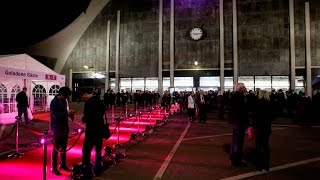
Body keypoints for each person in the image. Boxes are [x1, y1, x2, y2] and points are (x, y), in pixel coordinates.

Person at [81, 89, 106, 177]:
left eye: (82, 96)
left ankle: (87, 169)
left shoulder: (89, 103)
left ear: (86, 94)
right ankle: (98, 168)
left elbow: (88, 117)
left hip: (91, 130)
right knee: (98, 150)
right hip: (99, 128)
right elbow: (102, 112)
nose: (82, 98)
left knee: (86, 150)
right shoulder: (99, 101)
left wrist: (84, 119)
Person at [50, 86, 73, 175]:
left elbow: (64, 113)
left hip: (64, 127)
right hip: (57, 128)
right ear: (61, 94)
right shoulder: (54, 102)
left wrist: (69, 114)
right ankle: (54, 167)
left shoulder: (63, 101)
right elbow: (56, 115)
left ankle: (63, 164)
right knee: (56, 148)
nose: (67, 98)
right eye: (66, 96)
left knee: (64, 148)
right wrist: (67, 113)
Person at [252, 90, 275, 171]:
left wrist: (253, 125)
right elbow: (273, 117)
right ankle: (266, 165)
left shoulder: (257, 103)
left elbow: (254, 116)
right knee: (265, 145)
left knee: (258, 146)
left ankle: (258, 165)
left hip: (259, 127)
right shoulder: (270, 103)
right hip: (267, 127)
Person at [229, 83, 249, 167]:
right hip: (239, 122)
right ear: (240, 88)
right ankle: (237, 161)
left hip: (235, 121)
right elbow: (242, 111)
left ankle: (233, 158)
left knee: (235, 141)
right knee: (239, 142)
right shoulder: (240, 97)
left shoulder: (234, 96)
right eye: (244, 87)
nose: (245, 88)